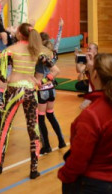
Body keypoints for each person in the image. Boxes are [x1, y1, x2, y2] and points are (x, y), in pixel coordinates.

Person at [58, 53, 112, 193]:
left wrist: (64, 174)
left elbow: (79, 160)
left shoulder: (91, 115)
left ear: (94, 75)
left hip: (93, 185)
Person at [0, 23, 52, 180]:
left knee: (5, 127)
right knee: (33, 128)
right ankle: (34, 169)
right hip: (30, 90)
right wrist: (40, 81)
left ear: (20, 35)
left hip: (14, 89)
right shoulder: (37, 50)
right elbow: (53, 66)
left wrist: (2, 78)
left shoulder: (13, 48)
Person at [36, 21, 67, 155]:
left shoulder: (40, 57)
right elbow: (57, 42)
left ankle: (46, 145)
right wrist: (60, 28)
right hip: (52, 90)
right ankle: (61, 141)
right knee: (51, 115)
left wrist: (41, 80)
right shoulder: (53, 55)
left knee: (41, 118)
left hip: (42, 89)